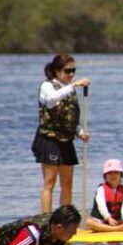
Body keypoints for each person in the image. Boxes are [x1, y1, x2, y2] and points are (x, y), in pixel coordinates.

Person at [32, 54, 91, 214]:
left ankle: (65, 220)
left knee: (67, 183)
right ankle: (45, 220)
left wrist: (80, 133)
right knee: (49, 182)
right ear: (57, 71)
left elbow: (71, 119)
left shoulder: (70, 90)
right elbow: (51, 100)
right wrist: (73, 86)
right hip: (50, 139)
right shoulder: (47, 86)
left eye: (73, 70)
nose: (71, 74)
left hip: (66, 140)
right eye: (67, 71)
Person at [87, 159, 123, 232]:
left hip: (117, 222)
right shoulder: (101, 189)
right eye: (110, 173)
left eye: (116, 173)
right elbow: (102, 206)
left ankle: (118, 228)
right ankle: (116, 229)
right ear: (105, 176)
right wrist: (108, 218)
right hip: (102, 221)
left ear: (121, 175)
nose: (113, 176)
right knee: (89, 222)